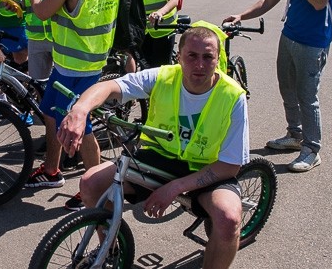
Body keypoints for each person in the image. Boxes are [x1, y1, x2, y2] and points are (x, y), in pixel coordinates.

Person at [64, 24, 248, 269]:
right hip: (158, 157)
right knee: (91, 183)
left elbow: (230, 166)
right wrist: (80, 110)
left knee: (229, 219)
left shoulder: (232, 96)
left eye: (208, 57)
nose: (200, 65)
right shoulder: (163, 76)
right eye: (192, 56)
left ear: (217, 59)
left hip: (207, 168)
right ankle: (110, 251)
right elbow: (110, 86)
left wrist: (175, 187)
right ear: (179, 57)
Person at [24, 0, 120, 211]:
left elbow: (42, 11)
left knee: (81, 126)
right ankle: (52, 171)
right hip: (88, 56)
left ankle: (97, 188)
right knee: (52, 113)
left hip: (75, 63)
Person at [224, 0, 332, 172]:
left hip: (313, 42)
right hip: (289, 37)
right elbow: (268, 0)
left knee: (307, 96)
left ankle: (312, 149)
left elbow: (319, 1)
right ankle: (295, 134)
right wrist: (241, 16)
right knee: (287, 88)